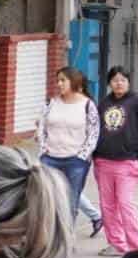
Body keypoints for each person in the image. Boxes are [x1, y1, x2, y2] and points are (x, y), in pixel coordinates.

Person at [92, 66, 138, 257]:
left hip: (127, 162)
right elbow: (94, 128)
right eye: (115, 80)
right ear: (109, 83)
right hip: (103, 162)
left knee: (125, 203)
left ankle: (135, 246)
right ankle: (117, 244)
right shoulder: (103, 103)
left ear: (128, 81)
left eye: (123, 80)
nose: (119, 83)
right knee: (107, 205)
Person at [37, 68, 102, 237]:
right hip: (50, 159)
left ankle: (66, 240)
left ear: (74, 82)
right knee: (48, 200)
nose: (59, 84)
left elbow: (94, 133)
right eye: (57, 80)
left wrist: (81, 156)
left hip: (75, 161)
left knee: (71, 202)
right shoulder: (50, 103)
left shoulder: (87, 105)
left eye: (63, 80)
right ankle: (49, 238)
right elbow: (42, 127)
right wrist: (44, 149)